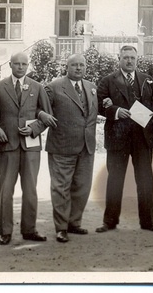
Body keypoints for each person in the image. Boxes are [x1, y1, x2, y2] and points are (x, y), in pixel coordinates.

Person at [0, 52, 57, 245]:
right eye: (17, 64)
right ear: (10, 64)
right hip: (8, 144)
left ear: (29, 66)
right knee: (6, 189)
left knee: (30, 189)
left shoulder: (37, 87)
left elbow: (47, 117)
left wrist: (34, 128)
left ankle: (29, 229)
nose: (20, 67)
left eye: (24, 64)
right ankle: (5, 231)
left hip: (31, 147)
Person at [96, 45, 153, 233]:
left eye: (132, 58)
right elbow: (99, 105)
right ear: (119, 58)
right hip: (118, 137)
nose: (129, 61)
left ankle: (148, 222)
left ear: (137, 58)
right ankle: (110, 221)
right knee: (115, 179)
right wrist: (115, 111)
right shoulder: (108, 81)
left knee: (145, 179)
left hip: (142, 137)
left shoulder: (147, 80)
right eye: (125, 58)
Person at [44, 53, 98, 243]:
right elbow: (38, 108)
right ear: (66, 67)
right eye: (74, 65)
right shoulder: (54, 87)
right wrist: (41, 117)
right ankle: (61, 228)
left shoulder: (91, 87)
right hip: (62, 145)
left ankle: (74, 223)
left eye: (81, 65)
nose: (78, 68)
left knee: (82, 186)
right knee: (61, 188)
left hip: (86, 145)